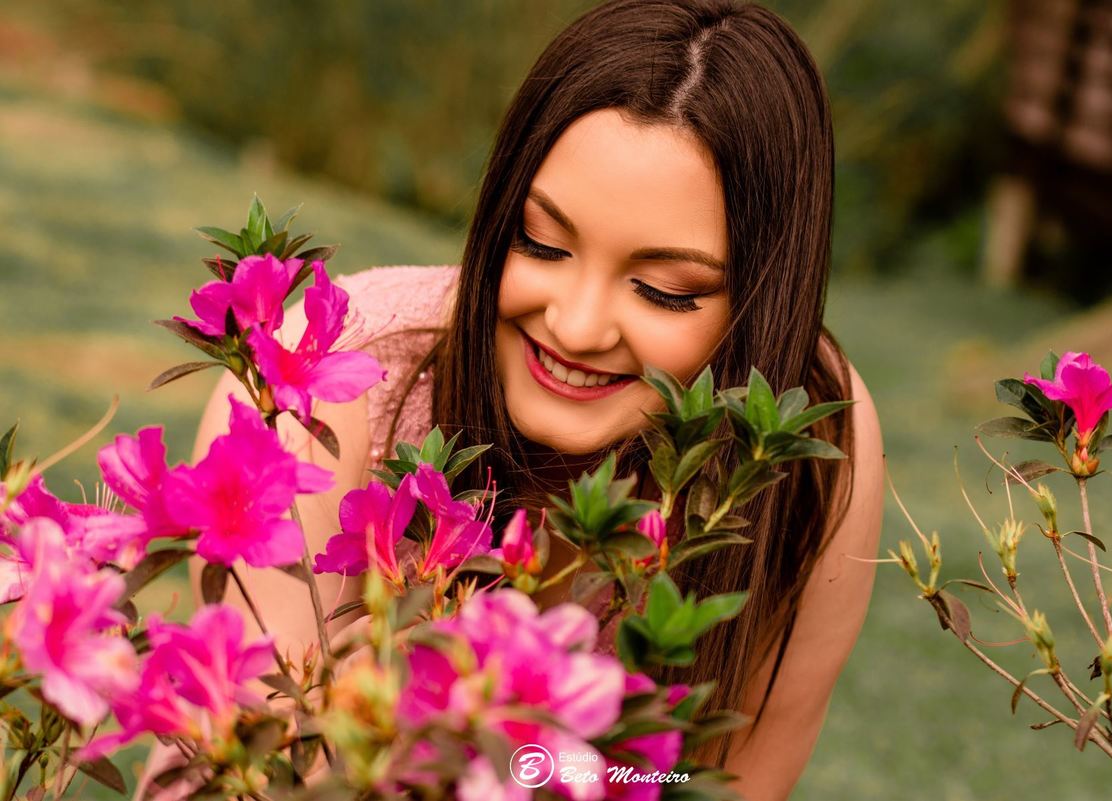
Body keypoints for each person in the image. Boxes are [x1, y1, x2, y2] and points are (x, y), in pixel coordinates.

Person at [138, 1, 884, 798]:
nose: (577, 324)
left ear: (759, 313)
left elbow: (716, 781)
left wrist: (536, 762)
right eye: (541, 242)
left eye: (665, 290)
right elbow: (228, 773)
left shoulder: (806, 449)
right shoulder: (320, 389)